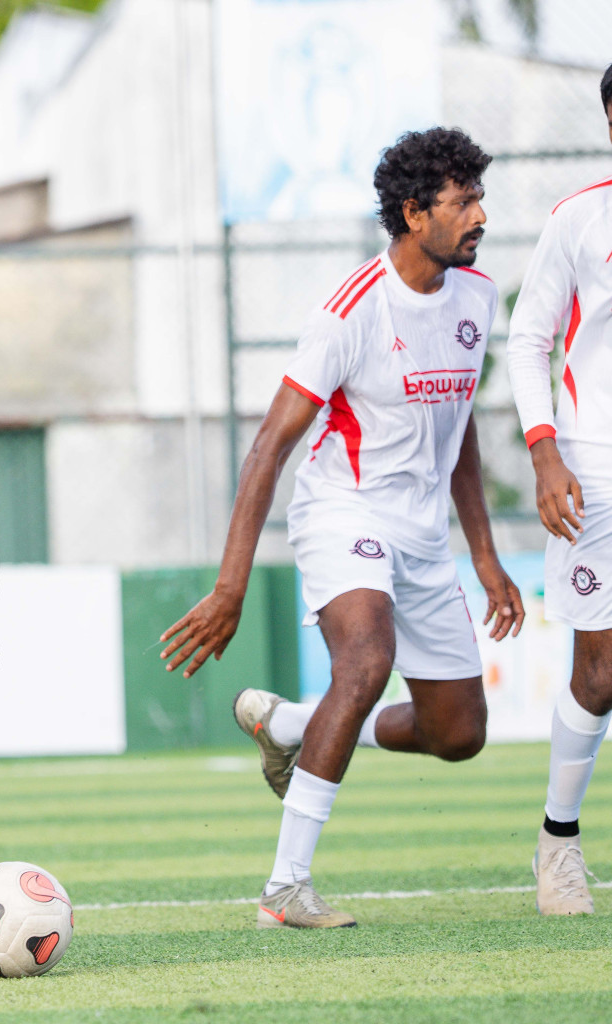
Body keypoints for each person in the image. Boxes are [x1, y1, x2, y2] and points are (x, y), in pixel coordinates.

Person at [160, 128, 524, 928]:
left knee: (458, 734)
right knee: (366, 659)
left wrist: (487, 557)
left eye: (479, 198)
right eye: (464, 201)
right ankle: (285, 889)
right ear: (413, 212)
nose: (481, 216)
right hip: (342, 510)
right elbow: (268, 449)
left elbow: (457, 429)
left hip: (426, 534)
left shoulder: (478, 297)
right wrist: (230, 588)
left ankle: (289, 724)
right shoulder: (350, 310)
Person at [505, 63, 612, 916]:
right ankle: (558, 842)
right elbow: (527, 338)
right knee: (601, 671)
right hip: (593, 467)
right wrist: (544, 451)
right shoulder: (578, 219)